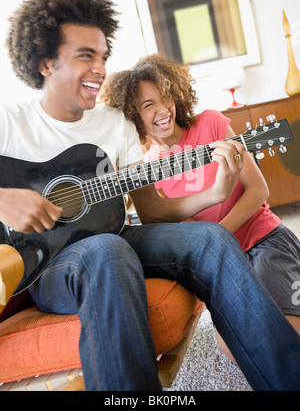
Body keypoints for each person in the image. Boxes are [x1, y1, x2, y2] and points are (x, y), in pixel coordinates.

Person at [1, 0, 300, 392]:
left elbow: (154, 210)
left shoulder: (114, 123)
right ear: (45, 62)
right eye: (85, 56)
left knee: (208, 239)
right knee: (107, 250)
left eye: (103, 56)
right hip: (47, 264)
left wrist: (214, 194)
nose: (101, 69)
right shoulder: (9, 123)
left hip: (119, 237)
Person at [100, 53, 300, 358]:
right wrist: (216, 247)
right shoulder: (145, 166)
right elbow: (176, 225)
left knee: (288, 331)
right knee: (234, 349)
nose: (163, 109)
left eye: (165, 97)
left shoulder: (211, 123)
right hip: (220, 264)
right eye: (147, 105)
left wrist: (219, 237)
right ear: (131, 115)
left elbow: (259, 189)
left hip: (261, 239)